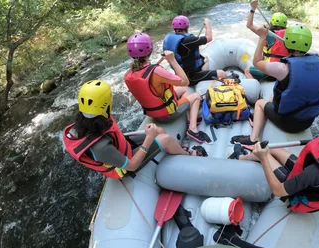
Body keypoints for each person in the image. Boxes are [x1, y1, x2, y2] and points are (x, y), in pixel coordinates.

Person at [63, 80, 208, 179]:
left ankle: (175, 149)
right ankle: (187, 155)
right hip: (124, 168)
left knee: (159, 131)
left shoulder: (89, 119)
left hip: (120, 148)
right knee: (165, 138)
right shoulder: (100, 146)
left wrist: (150, 135)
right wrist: (149, 138)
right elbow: (131, 166)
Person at [231, 24, 319, 145]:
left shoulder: (282, 68)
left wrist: (262, 37)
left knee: (260, 103)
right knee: (280, 88)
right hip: (307, 122)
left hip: (288, 123)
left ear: (286, 44)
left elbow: (257, 62)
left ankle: (253, 138)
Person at [124, 32, 210, 143]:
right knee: (196, 96)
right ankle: (193, 128)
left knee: (183, 91)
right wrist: (172, 60)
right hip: (167, 114)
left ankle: (189, 118)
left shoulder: (128, 74)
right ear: (150, 50)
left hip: (152, 112)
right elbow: (185, 81)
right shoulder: (156, 71)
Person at [163, 15, 227, 86]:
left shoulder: (170, 38)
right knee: (222, 73)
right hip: (190, 77)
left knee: (205, 59)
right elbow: (209, 38)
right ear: (187, 26)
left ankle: (203, 74)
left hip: (182, 72)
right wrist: (207, 24)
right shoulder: (188, 40)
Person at [244, 0, 290, 80]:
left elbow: (249, 25)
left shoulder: (266, 33)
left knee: (247, 70)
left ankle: (254, 87)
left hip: (269, 72)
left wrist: (253, 9)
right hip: (284, 71)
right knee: (263, 56)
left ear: (271, 22)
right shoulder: (290, 35)